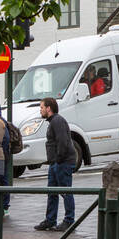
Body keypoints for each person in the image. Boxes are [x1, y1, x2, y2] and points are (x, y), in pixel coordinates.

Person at [35, 96, 77, 231]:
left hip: (62, 162)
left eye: (41, 107)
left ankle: (69, 220)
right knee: (52, 192)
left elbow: (62, 142)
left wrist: (58, 159)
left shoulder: (57, 121)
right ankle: (50, 220)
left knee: (65, 192)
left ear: (48, 108)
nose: (40, 110)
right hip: (56, 163)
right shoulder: (53, 121)